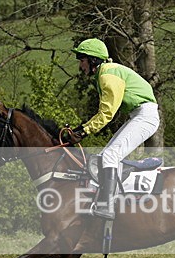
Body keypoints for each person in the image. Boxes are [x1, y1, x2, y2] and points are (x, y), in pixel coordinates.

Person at [64, 38, 160, 220]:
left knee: (109, 156)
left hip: (145, 116)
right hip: (139, 115)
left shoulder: (107, 76)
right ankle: (112, 198)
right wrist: (81, 129)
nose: (80, 66)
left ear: (93, 60)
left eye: (82, 60)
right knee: (105, 156)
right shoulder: (107, 72)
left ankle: (106, 206)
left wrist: (83, 131)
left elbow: (106, 113)